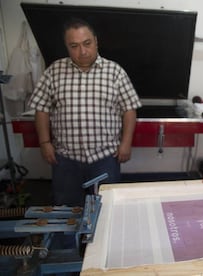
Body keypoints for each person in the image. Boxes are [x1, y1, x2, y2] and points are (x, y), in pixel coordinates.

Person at [28, 18, 141, 207]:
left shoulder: (115, 72)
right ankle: (68, 238)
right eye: (74, 46)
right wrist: (45, 142)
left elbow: (129, 109)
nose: (82, 51)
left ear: (96, 41)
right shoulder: (54, 71)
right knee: (66, 210)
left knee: (106, 209)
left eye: (87, 43)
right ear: (67, 46)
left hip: (105, 158)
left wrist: (126, 143)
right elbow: (41, 109)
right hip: (65, 159)